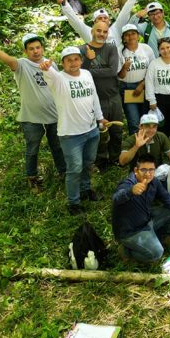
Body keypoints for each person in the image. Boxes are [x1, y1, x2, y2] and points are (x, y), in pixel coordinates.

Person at [0, 33, 65, 191]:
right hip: (32, 118)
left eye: (38, 47)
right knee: (32, 149)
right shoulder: (22, 65)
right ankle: (32, 177)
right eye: (31, 49)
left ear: (42, 48)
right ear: (26, 52)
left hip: (54, 115)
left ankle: (63, 172)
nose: (36, 51)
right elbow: (10, 61)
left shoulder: (51, 64)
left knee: (58, 146)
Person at [39, 47, 106, 214]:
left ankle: (85, 190)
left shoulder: (86, 74)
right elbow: (49, 74)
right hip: (70, 135)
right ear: (62, 63)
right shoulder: (59, 78)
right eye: (68, 60)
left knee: (88, 163)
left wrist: (100, 118)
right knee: (75, 168)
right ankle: (73, 202)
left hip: (91, 130)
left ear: (81, 61)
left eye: (76, 59)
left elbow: (94, 97)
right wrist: (46, 68)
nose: (73, 63)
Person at [112, 151, 170, 263]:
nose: (148, 174)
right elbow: (116, 198)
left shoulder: (154, 182)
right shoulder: (128, 184)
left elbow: (168, 199)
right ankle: (127, 251)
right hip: (131, 231)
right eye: (144, 170)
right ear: (136, 171)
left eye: (151, 170)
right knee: (156, 254)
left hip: (146, 219)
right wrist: (131, 191)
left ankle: (161, 236)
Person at [81, 18, 123, 170]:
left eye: (105, 32)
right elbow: (81, 73)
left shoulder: (111, 48)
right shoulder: (82, 49)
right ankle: (101, 161)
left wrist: (92, 68)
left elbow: (112, 71)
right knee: (100, 132)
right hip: (95, 100)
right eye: (98, 30)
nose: (101, 34)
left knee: (117, 130)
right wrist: (89, 60)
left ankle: (115, 158)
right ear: (92, 31)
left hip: (113, 96)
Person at [57, 0, 142, 52]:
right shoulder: (88, 32)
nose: (103, 20)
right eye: (100, 18)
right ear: (94, 22)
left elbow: (124, 13)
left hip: (119, 71)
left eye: (105, 18)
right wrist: (64, 5)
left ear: (109, 21)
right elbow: (75, 21)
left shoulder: (116, 29)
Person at [118, 24, 155, 133]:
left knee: (146, 119)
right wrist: (124, 68)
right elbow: (120, 76)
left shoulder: (146, 49)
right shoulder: (120, 51)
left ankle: (148, 146)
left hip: (145, 87)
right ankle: (136, 147)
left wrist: (142, 84)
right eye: (127, 35)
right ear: (124, 37)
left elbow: (152, 69)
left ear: (138, 35)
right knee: (134, 121)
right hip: (128, 88)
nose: (131, 37)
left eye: (133, 33)